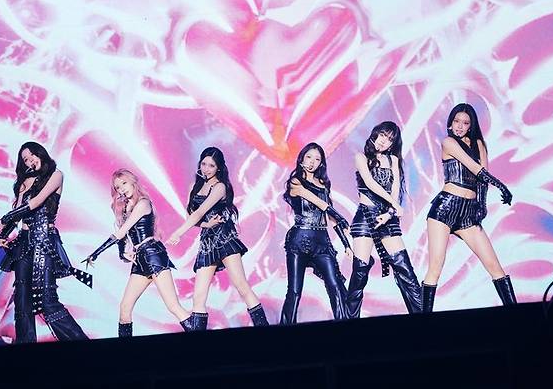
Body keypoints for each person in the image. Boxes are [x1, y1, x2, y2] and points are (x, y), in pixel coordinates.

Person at [422, 103, 516, 312]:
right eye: (456, 121)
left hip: (468, 213)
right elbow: (474, 168)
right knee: (435, 267)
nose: (459, 126)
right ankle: (422, 323)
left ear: (471, 125)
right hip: (445, 208)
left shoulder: (479, 144)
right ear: (450, 123)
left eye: (465, 123)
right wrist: (501, 186)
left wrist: (481, 206)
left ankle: (516, 317)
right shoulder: (448, 142)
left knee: (494, 266)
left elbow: (482, 180)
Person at [0, 141, 90, 343]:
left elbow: (37, 202)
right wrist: (3, 234)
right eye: (25, 159)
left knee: (47, 301)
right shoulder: (25, 182)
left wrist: (5, 218)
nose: (29, 161)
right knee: (22, 302)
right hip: (23, 243)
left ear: (41, 153)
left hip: (44, 241)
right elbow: (18, 213)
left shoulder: (56, 175)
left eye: (32, 155)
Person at [83, 169, 194, 336]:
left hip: (153, 255)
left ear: (133, 182)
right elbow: (123, 236)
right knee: (125, 308)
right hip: (140, 259)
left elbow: (121, 232)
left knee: (173, 306)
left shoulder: (143, 203)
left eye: (124, 183)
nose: (121, 189)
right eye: (117, 187)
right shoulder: (124, 207)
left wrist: (95, 253)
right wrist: (123, 253)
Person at [168, 147, 269, 329]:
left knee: (241, 286)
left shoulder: (220, 187)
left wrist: (178, 233)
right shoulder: (195, 187)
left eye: (211, 166)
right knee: (198, 297)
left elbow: (199, 212)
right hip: (207, 242)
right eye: (204, 164)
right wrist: (206, 225)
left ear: (219, 168)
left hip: (224, 238)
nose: (206, 169)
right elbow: (192, 215)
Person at [347, 122, 422, 317]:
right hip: (365, 216)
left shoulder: (393, 160)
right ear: (375, 134)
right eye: (382, 135)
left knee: (405, 269)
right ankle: (349, 321)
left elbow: (395, 188)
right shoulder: (361, 157)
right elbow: (370, 183)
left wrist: (390, 212)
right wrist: (395, 205)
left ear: (392, 145)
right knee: (360, 273)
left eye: (389, 139)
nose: (383, 141)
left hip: (387, 217)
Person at [280, 143, 353, 324]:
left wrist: (346, 244)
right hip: (299, 240)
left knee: (335, 285)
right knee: (294, 291)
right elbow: (315, 200)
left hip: (322, 242)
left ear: (321, 163)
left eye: (317, 159)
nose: (312, 162)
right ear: (302, 159)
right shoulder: (296, 182)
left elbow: (331, 218)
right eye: (309, 157)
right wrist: (339, 216)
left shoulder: (323, 185)